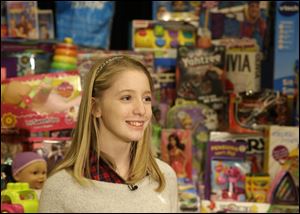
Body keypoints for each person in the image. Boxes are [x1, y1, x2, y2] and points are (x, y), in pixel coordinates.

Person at [38, 56, 178, 212]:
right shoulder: (60, 189)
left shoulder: (164, 177)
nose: (141, 110)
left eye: (146, 98)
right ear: (95, 107)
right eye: (126, 98)